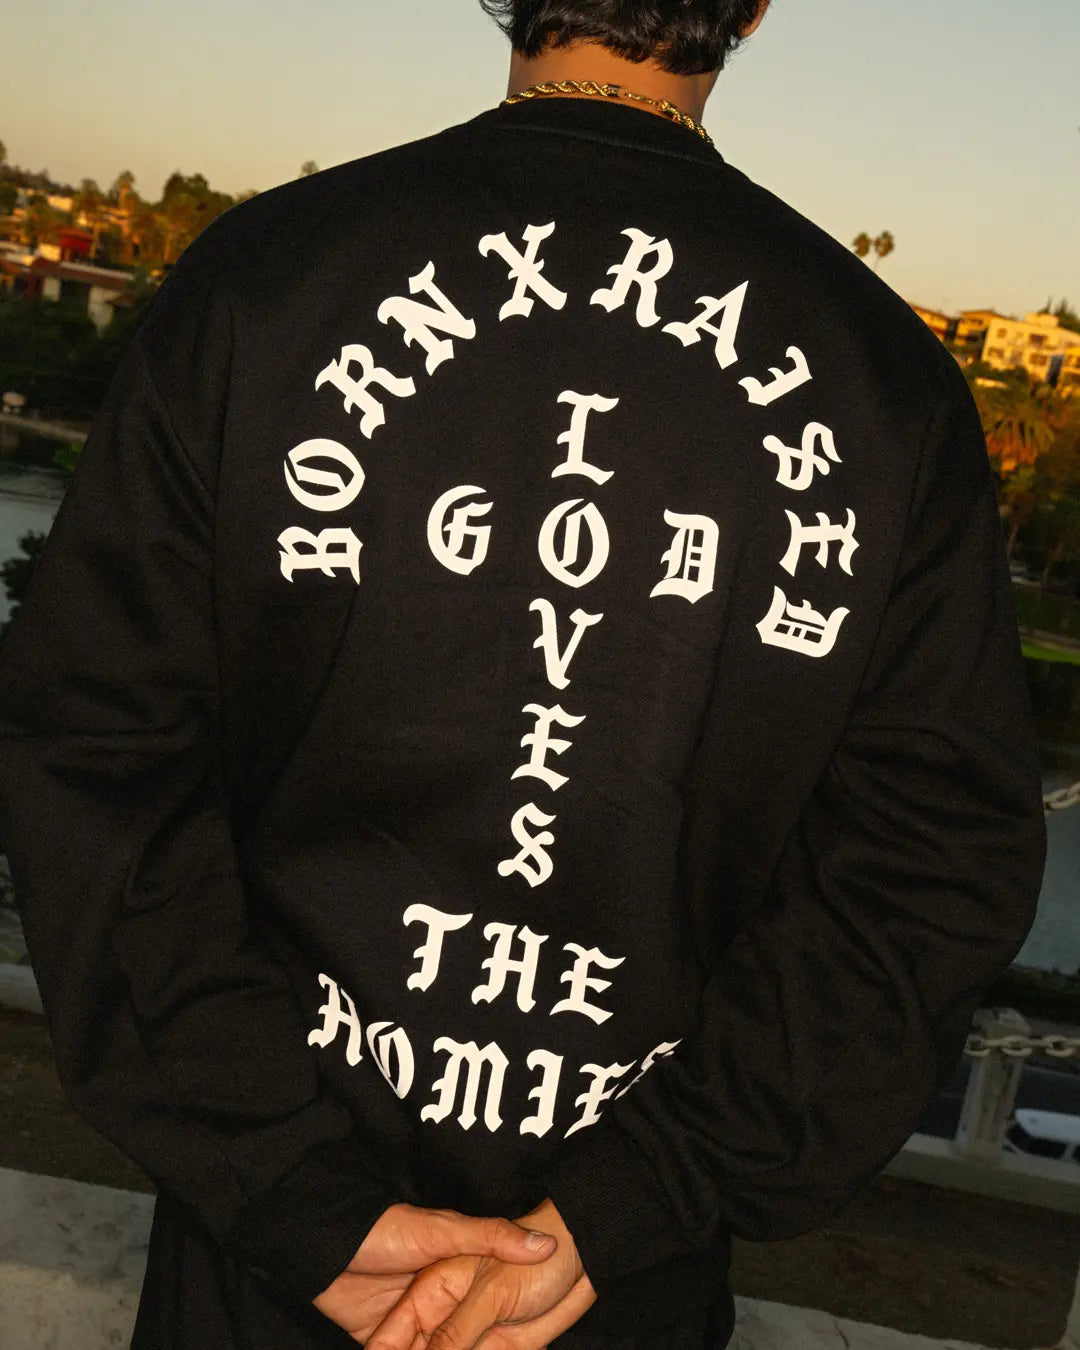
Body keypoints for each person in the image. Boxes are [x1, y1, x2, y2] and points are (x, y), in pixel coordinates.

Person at [0, 2, 1046, 1347]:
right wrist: (639, 1196)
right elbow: (929, 866)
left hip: (261, 1272)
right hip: (608, 1291)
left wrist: (292, 1186)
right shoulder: (889, 386)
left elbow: (94, 759)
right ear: (754, 4)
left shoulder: (265, 282)